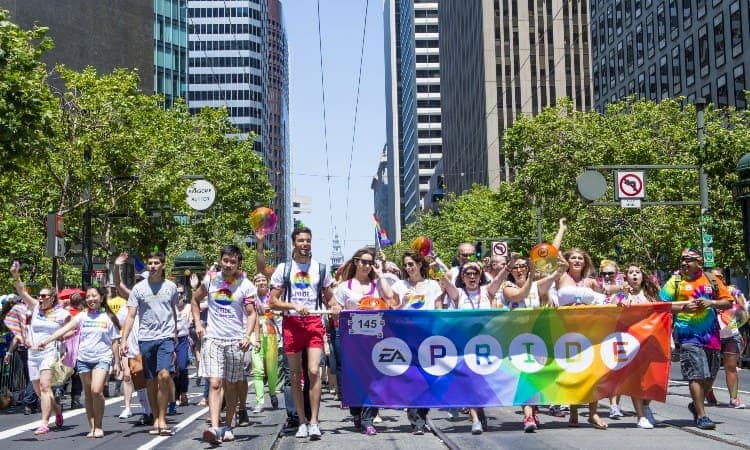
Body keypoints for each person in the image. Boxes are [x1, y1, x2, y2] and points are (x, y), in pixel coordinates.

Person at [269, 226, 335, 441]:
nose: (305, 244)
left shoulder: (321, 268)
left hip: (314, 323)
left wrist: (335, 307)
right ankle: (302, 422)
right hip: (292, 324)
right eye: (301, 240)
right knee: (296, 376)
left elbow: (330, 298)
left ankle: (314, 421)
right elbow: (273, 302)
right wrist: (294, 306)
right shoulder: (284, 269)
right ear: (294, 243)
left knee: (314, 371)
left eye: (308, 240)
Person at [191, 245, 259, 444]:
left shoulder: (246, 285)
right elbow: (195, 300)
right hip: (213, 338)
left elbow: (251, 313)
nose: (228, 265)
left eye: (233, 262)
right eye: (225, 261)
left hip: (235, 341)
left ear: (239, 264)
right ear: (221, 260)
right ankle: (214, 427)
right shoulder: (211, 279)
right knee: (215, 383)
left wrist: (247, 336)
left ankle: (228, 426)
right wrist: (197, 323)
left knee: (231, 386)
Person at [659, 248, 733, 430]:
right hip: (688, 335)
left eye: (688, 260)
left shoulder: (711, 280)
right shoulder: (675, 281)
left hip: (712, 336)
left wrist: (711, 303)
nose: (684, 263)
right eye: (682, 260)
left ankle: (696, 403)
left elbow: (728, 302)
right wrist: (683, 308)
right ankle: (702, 415)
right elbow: (662, 305)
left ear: (699, 262)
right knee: (696, 374)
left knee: (711, 374)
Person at [38, 286, 121, 438]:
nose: (91, 299)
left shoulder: (107, 317)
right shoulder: (82, 316)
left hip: (102, 358)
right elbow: (63, 330)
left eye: (94, 296)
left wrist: (117, 362)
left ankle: (99, 425)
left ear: (101, 298)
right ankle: (92, 427)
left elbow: (115, 341)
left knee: (97, 390)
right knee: (88, 394)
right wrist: (47, 340)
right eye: (88, 297)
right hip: (83, 359)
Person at [332, 248, 395, 436]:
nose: (367, 266)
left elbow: (390, 298)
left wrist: (381, 274)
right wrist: (335, 308)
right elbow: (335, 306)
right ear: (356, 263)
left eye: (370, 262)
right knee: (352, 378)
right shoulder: (344, 287)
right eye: (364, 262)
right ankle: (356, 412)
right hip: (351, 340)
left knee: (373, 378)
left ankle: (368, 418)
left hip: (375, 340)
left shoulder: (377, 285)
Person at [502, 254, 567, 433]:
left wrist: (560, 262)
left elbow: (556, 274)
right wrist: (531, 277)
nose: (519, 270)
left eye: (523, 266)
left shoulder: (537, 285)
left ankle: (533, 410)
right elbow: (518, 296)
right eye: (515, 267)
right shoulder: (507, 286)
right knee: (525, 375)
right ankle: (528, 416)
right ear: (510, 271)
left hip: (537, 338)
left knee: (536, 377)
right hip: (516, 339)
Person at [121, 251, 179, 436]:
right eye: (150, 263)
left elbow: (173, 311)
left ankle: (162, 418)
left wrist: (174, 332)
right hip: (146, 338)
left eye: (156, 263)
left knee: (164, 375)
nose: (153, 266)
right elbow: (131, 315)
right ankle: (155, 417)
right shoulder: (139, 289)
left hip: (165, 337)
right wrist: (124, 340)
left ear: (162, 265)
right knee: (151, 380)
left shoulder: (171, 287)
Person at [442, 261, 504, 434]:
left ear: (480, 276)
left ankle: (479, 411)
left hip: (487, 344)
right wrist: (435, 265)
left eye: (475, 273)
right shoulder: (459, 293)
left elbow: (500, 279)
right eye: (467, 274)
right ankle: (475, 418)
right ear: (462, 277)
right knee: (471, 381)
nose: (472, 276)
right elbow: (445, 282)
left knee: (484, 383)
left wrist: (509, 265)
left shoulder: (487, 291)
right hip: (465, 345)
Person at [10, 265, 69, 435]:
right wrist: (16, 275)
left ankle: (44, 422)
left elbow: (72, 329)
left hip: (49, 353)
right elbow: (22, 292)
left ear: (52, 298)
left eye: (44, 296)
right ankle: (57, 410)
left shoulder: (60, 313)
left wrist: (60, 338)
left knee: (45, 386)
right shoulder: (35, 307)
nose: (40, 298)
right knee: (40, 391)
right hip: (33, 354)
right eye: (39, 296)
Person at [392, 251, 444, 434]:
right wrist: (402, 302)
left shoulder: (433, 285)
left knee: (429, 378)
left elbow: (439, 309)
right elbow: (393, 311)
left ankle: (422, 413)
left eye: (411, 264)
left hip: (428, 336)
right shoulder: (400, 285)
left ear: (420, 264)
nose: (408, 268)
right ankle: (417, 422)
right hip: (407, 337)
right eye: (405, 265)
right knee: (413, 378)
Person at [556, 247, 608, 429]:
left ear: (585, 262)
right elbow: (551, 258)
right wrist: (561, 231)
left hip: (591, 332)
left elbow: (607, 296)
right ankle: (574, 411)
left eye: (581, 258)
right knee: (573, 373)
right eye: (574, 258)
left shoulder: (591, 283)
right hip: (566, 331)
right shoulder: (561, 278)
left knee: (594, 374)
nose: (577, 261)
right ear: (568, 262)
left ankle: (593, 413)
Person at [621, 263, 662, 429]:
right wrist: (623, 296)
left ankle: (645, 406)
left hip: (651, 342)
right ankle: (640, 416)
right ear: (626, 277)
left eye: (637, 272)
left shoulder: (651, 294)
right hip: (631, 342)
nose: (634, 275)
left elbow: (662, 314)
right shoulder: (622, 295)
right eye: (630, 272)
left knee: (654, 379)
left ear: (642, 276)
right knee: (637, 380)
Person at [706, 267, 746, 409]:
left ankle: (734, 398)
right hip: (712, 335)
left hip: (731, 335)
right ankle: (708, 391)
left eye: (720, 277)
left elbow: (743, 310)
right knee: (712, 368)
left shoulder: (731, 291)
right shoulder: (706, 294)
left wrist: (737, 297)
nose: (717, 279)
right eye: (714, 277)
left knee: (731, 367)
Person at [250, 272, 281, 413]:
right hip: (254, 335)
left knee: (271, 368)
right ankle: (260, 401)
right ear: (254, 283)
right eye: (258, 280)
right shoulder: (249, 297)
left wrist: (274, 311)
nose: (261, 282)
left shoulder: (273, 297)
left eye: (263, 280)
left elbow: (281, 313)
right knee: (257, 369)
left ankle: (273, 393)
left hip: (271, 333)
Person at [170, 284, 191, 414]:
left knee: (182, 367)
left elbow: (202, 303)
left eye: (181, 293)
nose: (179, 295)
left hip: (183, 340)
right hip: (170, 340)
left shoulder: (188, 307)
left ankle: (183, 392)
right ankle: (175, 395)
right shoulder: (169, 307)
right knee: (172, 369)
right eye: (176, 293)